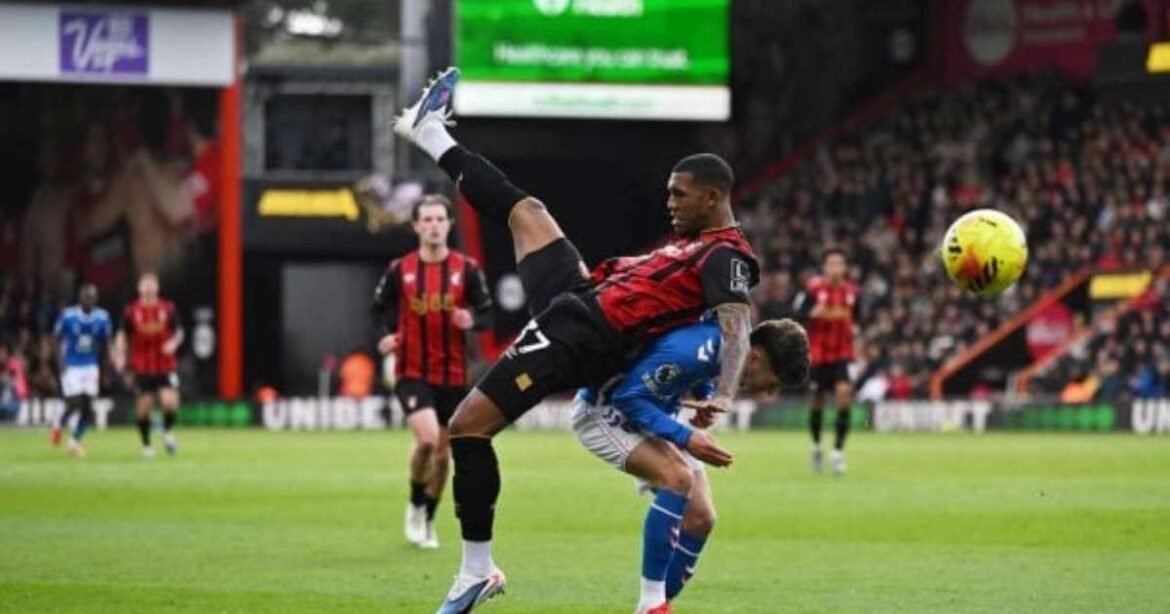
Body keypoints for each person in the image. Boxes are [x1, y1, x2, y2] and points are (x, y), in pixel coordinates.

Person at [394, 68, 760, 612]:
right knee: (529, 212)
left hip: (584, 335)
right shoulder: (693, 241)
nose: (670, 203)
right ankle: (431, 133)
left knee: (467, 427)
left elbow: (736, 325)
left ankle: (476, 571)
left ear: (712, 197)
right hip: (584, 295)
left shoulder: (727, 253)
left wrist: (726, 394)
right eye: (667, 193)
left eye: (679, 195)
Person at [573, 318, 808, 613]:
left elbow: (691, 373)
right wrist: (686, 437)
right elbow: (629, 395)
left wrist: (704, 396)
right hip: (603, 408)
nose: (768, 393)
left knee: (701, 519)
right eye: (772, 382)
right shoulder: (695, 351)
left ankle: (656, 605)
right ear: (756, 358)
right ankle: (651, 605)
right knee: (677, 477)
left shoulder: (721, 346)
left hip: (651, 410)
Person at [370, 194, 493, 550]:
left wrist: (472, 319)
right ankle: (414, 502)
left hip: (454, 375)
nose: (434, 226)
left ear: (449, 224)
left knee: (443, 457)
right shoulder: (401, 269)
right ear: (416, 226)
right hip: (412, 370)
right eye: (427, 220)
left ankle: (428, 516)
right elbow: (378, 310)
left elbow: (487, 313)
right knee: (426, 440)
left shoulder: (466, 269)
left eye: (440, 219)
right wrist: (385, 337)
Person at [798, 248, 858, 475]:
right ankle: (815, 446)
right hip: (818, 354)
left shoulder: (852, 292)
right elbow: (798, 313)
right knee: (818, 400)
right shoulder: (813, 289)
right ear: (824, 267)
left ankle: (838, 452)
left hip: (842, 353)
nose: (835, 268)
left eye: (839, 264)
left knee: (844, 395)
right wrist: (811, 313)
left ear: (844, 268)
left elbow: (857, 316)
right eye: (831, 264)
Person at [113, 272, 184, 458]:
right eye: (145, 284)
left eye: (152, 284)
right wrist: (120, 354)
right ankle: (147, 445)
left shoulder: (168, 308)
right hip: (142, 365)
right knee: (144, 408)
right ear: (139, 288)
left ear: (157, 288)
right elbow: (122, 334)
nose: (148, 287)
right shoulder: (131, 311)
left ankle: (167, 433)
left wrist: (173, 343)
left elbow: (179, 332)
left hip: (165, 364)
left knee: (170, 403)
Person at [50, 283, 112, 456]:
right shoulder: (68, 316)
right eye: (86, 296)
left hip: (91, 366)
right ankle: (58, 424)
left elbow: (106, 345)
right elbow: (56, 340)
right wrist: (60, 363)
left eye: (92, 297)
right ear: (80, 298)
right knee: (75, 402)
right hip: (72, 366)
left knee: (88, 407)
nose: (89, 299)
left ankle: (74, 441)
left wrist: (106, 370)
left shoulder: (103, 317)